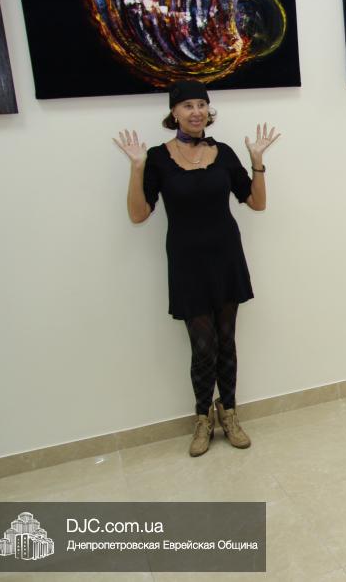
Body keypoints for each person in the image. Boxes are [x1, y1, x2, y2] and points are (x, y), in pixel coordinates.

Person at [114, 79, 280, 457]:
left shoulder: (223, 152)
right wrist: (137, 168)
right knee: (203, 347)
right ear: (174, 113)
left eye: (201, 105)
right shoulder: (158, 157)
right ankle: (203, 417)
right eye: (187, 106)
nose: (196, 112)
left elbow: (256, 203)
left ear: (209, 110)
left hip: (226, 257)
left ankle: (230, 413)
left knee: (226, 342)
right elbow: (138, 214)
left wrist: (257, 162)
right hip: (187, 263)